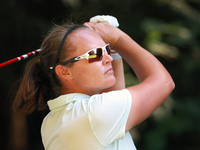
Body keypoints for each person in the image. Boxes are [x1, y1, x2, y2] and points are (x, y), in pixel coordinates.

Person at [13, 19, 175, 150]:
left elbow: (111, 98)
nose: (108, 58)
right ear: (64, 72)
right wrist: (118, 39)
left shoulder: (52, 121)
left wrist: (114, 50)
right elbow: (164, 82)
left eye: (106, 49)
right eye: (95, 54)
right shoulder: (94, 115)